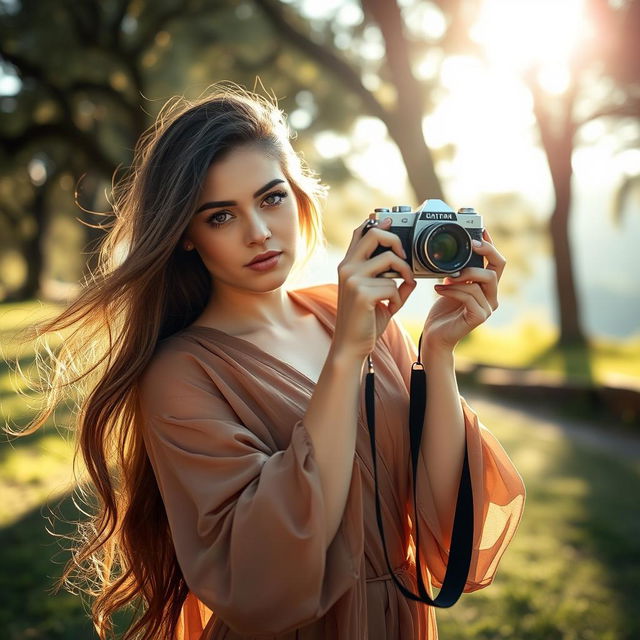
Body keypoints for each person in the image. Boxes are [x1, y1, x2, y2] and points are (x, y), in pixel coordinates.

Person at [15, 84, 525, 640]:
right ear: (186, 235)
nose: (258, 233)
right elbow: (263, 564)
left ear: (300, 199)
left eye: (271, 198)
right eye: (219, 217)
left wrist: (438, 355)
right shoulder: (181, 374)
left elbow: (441, 513)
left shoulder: (354, 317)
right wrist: (348, 354)